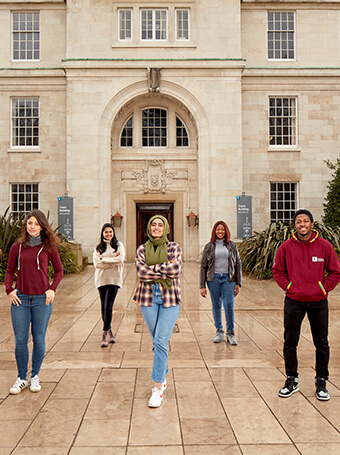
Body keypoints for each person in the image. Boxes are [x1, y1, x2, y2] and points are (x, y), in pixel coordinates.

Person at [272, 209, 340, 401]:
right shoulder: (285, 247)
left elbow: (335, 272)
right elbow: (277, 271)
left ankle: (321, 382)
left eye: (306, 221)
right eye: (299, 222)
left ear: (312, 224)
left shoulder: (325, 246)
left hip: (318, 302)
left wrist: (323, 289)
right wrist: (289, 287)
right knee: (290, 342)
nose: (302, 225)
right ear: (294, 225)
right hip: (294, 301)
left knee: (322, 343)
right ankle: (291, 379)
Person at [5, 209, 63, 395]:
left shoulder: (49, 247)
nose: (32, 227)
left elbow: (59, 271)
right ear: (25, 225)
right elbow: (9, 271)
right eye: (30, 223)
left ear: (42, 226)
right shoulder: (17, 247)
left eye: (36, 224)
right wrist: (9, 289)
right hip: (20, 299)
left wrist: (51, 289)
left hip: (41, 300)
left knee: (38, 339)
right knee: (21, 340)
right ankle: (22, 377)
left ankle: (35, 376)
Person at [134, 215, 182, 408]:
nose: (156, 228)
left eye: (160, 225)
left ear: (166, 228)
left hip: (170, 299)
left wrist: (152, 268)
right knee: (157, 341)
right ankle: (163, 373)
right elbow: (141, 272)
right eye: (153, 225)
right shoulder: (141, 249)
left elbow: (176, 269)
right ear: (148, 228)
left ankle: (158, 387)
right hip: (147, 298)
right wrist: (162, 269)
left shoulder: (174, 247)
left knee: (161, 341)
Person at [200, 221, 242, 345]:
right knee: (216, 305)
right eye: (218, 229)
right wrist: (202, 286)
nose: (220, 232)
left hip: (228, 279)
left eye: (222, 230)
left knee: (229, 305)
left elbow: (238, 264)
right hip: (213, 279)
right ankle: (219, 331)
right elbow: (203, 266)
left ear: (226, 231)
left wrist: (238, 283)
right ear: (214, 231)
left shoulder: (232, 245)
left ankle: (231, 333)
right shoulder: (209, 246)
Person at [93, 223, 125, 347]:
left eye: (110, 232)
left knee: (108, 305)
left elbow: (120, 260)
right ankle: (109, 331)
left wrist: (104, 260)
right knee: (103, 306)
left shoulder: (118, 245)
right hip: (101, 280)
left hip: (114, 279)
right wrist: (112, 261)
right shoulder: (98, 248)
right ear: (102, 233)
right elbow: (97, 264)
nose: (108, 234)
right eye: (106, 232)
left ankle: (104, 332)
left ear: (113, 233)